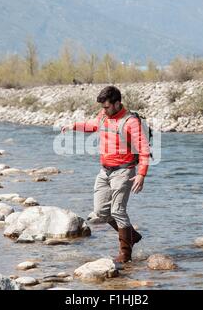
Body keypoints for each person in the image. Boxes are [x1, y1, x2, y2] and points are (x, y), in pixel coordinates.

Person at [61, 86, 151, 263]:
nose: (103, 110)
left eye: (107, 106)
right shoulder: (103, 116)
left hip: (124, 171)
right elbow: (93, 126)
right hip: (105, 171)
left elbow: (143, 148)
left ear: (117, 104)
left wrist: (141, 174)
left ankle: (125, 254)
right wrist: (74, 126)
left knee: (118, 211)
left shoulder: (130, 122)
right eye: (102, 107)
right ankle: (131, 235)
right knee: (101, 212)